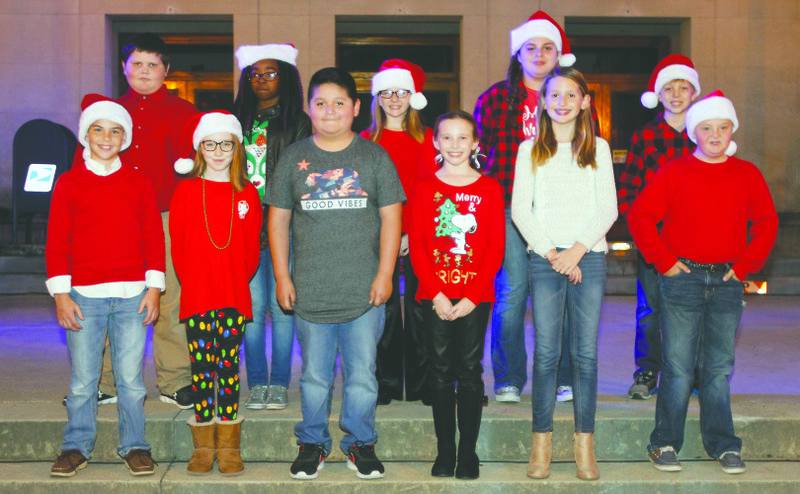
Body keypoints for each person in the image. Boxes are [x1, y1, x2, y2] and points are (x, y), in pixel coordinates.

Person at [628, 91, 778, 475]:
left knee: (716, 368)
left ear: (732, 131)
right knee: (677, 368)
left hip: (727, 280)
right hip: (683, 279)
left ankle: (723, 444)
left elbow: (766, 223)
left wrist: (745, 267)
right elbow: (640, 215)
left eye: (723, 127)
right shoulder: (675, 172)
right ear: (694, 132)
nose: (715, 135)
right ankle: (663, 443)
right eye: (707, 128)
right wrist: (664, 261)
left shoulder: (747, 174)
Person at [265, 67, 404, 481]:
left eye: (339, 103)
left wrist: (385, 275)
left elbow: (392, 221)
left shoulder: (375, 157)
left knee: (362, 374)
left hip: (365, 291)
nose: (330, 111)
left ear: (357, 108)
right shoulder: (293, 158)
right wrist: (283, 277)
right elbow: (277, 223)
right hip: (311, 289)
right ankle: (312, 442)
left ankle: (360, 442)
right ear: (309, 108)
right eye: (321, 103)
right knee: (313, 375)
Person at [47, 94, 165, 477]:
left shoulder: (138, 181)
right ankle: (76, 446)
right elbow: (56, 241)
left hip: (132, 294)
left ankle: (135, 446)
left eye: (115, 131)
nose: (106, 137)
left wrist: (153, 288)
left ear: (125, 138)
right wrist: (61, 295)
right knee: (83, 381)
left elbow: (152, 237)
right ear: (85, 134)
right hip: (84, 296)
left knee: (130, 380)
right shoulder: (69, 183)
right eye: (98, 129)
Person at [511, 67, 617, 481]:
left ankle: (583, 445)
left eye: (570, 95)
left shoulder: (599, 149)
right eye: (554, 95)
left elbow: (607, 208)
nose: (561, 103)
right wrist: (553, 254)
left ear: (585, 101)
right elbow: (521, 209)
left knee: (585, 354)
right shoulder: (529, 150)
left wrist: (575, 251)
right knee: (547, 354)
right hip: (545, 257)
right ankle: (542, 445)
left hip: (587, 257)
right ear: (543, 101)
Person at [475, 11, 586, 404]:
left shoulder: (569, 98)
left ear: (559, 55)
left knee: (558, 294)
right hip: (507, 210)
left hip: (559, 212)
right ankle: (508, 377)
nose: (539, 54)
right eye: (531, 47)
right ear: (517, 55)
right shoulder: (494, 99)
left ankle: (561, 377)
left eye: (548, 47)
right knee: (512, 292)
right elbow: (478, 159)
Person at [93, 33, 199, 409]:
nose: (144, 71)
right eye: (137, 63)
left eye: (153, 64)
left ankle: (174, 381)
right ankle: (105, 380)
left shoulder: (184, 112)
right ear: (124, 68)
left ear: (166, 70)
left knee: (169, 298)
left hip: (167, 215)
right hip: (116, 218)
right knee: (111, 298)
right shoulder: (108, 112)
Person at [408, 111, 505, 479]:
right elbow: (417, 245)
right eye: (446, 137)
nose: (454, 145)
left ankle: (469, 453)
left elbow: (495, 248)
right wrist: (435, 294)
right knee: (439, 373)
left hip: (474, 298)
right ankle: (445, 451)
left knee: (468, 373)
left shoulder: (489, 189)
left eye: (462, 138)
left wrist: (472, 296)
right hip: (435, 297)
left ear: (475, 143)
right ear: (435, 142)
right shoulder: (424, 188)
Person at [170, 111, 262, 476]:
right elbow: (178, 245)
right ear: (199, 149)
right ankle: (203, 444)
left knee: (227, 367)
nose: (219, 151)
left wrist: (237, 278)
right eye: (210, 144)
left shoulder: (247, 193)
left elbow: (253, 249)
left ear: (236, 148)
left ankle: (228, 445)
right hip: (198, 294)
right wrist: (193, 281)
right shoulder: (187, 190)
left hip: (233, 293)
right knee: (202, 368)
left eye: (226, 144)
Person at [233, 43, 311, 411]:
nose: (262, 80)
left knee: (282, 307)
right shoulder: (235, 117)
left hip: (284, 225)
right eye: (255, 74)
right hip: (241, 225)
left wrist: (276, 218)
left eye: (270, 73)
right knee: (250, 308)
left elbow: (297, 174)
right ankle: (257, 383)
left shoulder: (297, 120)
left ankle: (279, 382)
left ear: (286, 76)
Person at [617, 55, 701, 400]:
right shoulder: (646, 136)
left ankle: (690, 371)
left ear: (694, 93)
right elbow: (628, 192)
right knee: (650, 309)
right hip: (656, 241)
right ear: (659, 94)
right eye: (669, 88)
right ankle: (648, 370)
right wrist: (643, 231)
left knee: (693, 309)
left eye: (684, 88)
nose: (677, 94)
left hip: (698, 241)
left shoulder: (703, 135)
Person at [361, 59, 438, 405]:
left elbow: (431, 192)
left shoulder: (428, 140)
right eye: (387, 92)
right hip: (378, 237)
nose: (394, 98)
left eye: (402, 92)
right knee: (386, 313)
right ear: (378, 97)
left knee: (422, 312)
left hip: (421, 236)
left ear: (413, 96)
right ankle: (387, 383)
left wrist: (411, 233)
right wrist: (389, 235)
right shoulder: (365, 140)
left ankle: (422, 385)